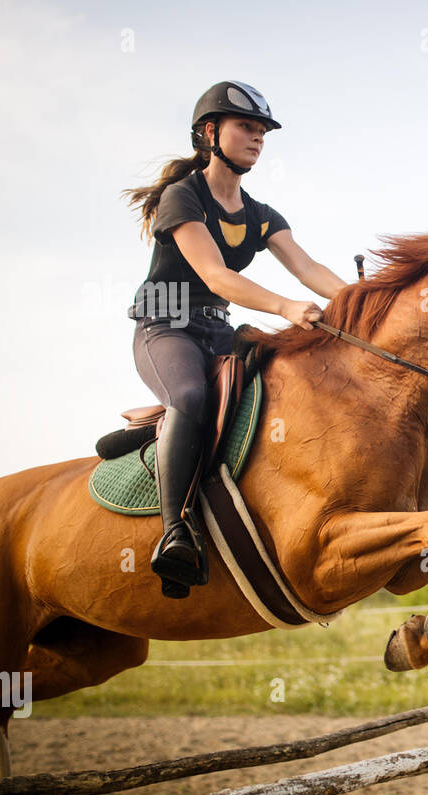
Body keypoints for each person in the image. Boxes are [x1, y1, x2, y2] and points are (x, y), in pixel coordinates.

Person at [121, 81, 349, 598]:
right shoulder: (181, 197)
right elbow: (218, 276)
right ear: (209, 132)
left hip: (219, 330)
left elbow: (309, 267)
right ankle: (176, 531)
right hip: (166, 327)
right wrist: (286, 307)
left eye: (262, 130)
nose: (258, 137)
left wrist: (367, 301)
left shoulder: (261, 214)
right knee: (191, 396)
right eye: (246, 126)